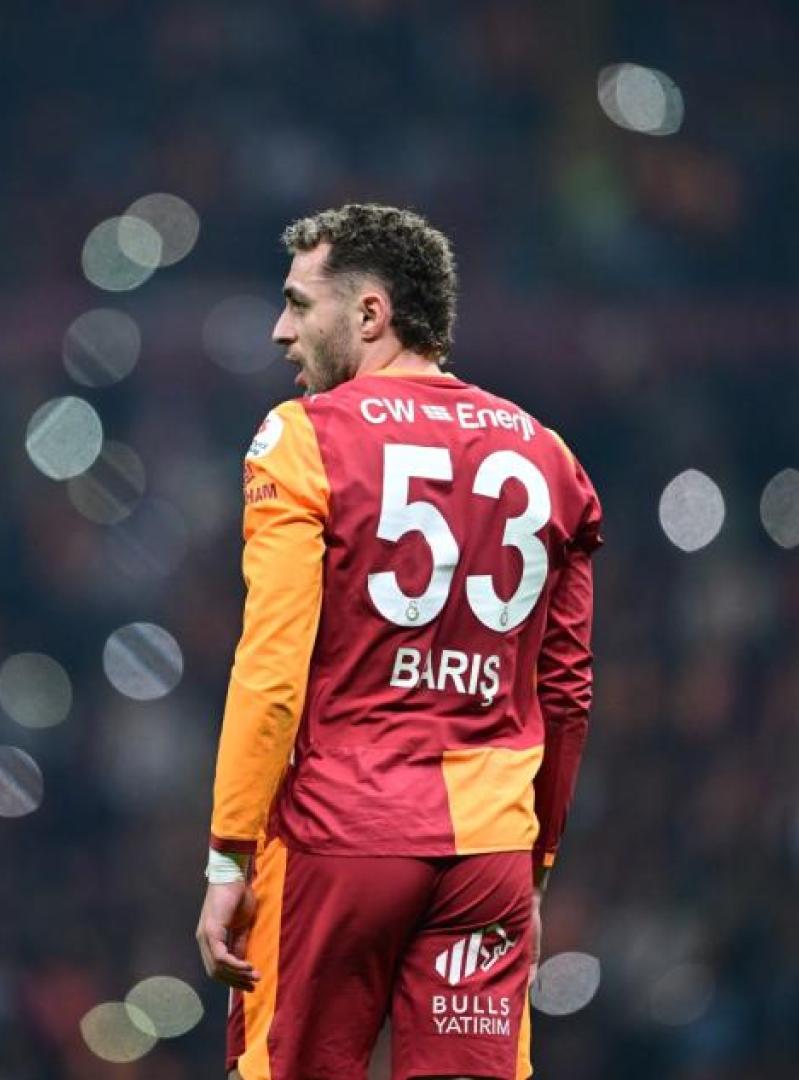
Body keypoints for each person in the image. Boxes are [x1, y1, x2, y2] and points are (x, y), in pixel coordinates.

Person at [195, 204, 602, 1080]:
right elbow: (565, 692)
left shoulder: (303, 437)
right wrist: (535, 867)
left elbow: (271, 668)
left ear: (370, 313)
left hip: (340, 834)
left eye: (299, 304)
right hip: (489, 853)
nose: (279, 331)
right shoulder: (550, 458)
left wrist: (229, 855)